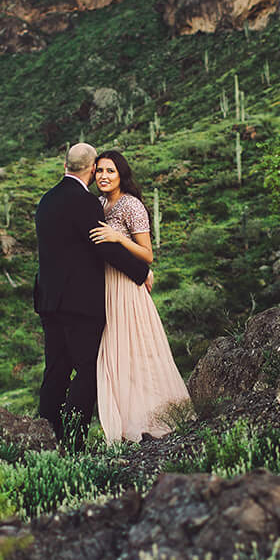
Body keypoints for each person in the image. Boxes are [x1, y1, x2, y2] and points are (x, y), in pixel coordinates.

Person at [33, 143, 150, 448]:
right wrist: (141, 272)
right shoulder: (85, 203)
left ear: (65, 166)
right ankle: (74, 441)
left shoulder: (45, 200)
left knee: (55, 370)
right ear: (90, 168)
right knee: (87, 370)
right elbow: (104, 246)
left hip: (49, 301)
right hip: (80, 304)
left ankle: (46, 437)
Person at [86, 149, 191, 443]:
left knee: (135, 348)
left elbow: (148, 254)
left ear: (121, 175)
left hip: (126, 287)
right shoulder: (97, 204)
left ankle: (151, 416)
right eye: (100, 171)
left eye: (110, 171)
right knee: (113, 352)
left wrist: (119, 237)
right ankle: (121, 418)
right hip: (103, 286)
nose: (104, 176)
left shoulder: (132, 206)